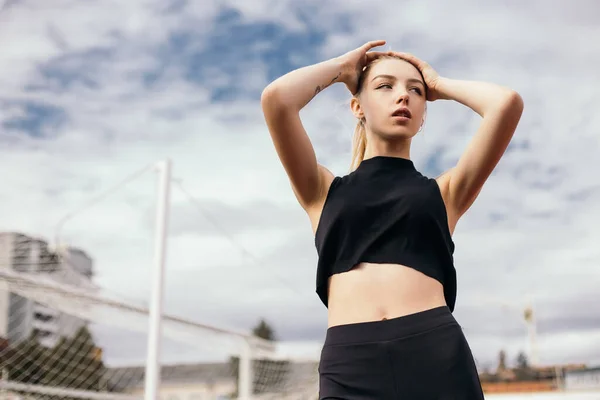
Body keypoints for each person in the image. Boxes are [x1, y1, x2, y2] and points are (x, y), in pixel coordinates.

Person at [261, 40, 523, 399]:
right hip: (349, 362)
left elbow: (505, 103)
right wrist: (343, 69)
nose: (404, 96)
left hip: (436, 354)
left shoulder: (446, 192)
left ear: (424, 110)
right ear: (357, 107)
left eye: (415, 91)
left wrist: (437, 83)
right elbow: (277, 99)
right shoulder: (321, 191)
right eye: (385, 86)